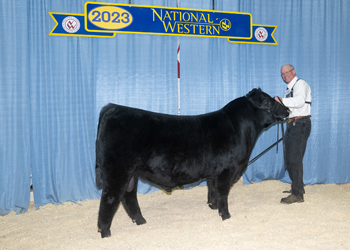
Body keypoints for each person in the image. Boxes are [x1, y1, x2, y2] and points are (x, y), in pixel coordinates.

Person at [274, 64, 312, 204]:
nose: (285, 75)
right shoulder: (288, 90)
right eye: (282, 74)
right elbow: (289, 110)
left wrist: (282, 101)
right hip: (292, 124)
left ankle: (298, 194)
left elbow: (300, 101)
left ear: (293, 71)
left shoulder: (301, 84)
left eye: (287, 72)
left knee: (294, 159)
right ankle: (297, 187)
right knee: (289, 158)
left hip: (301, 124)